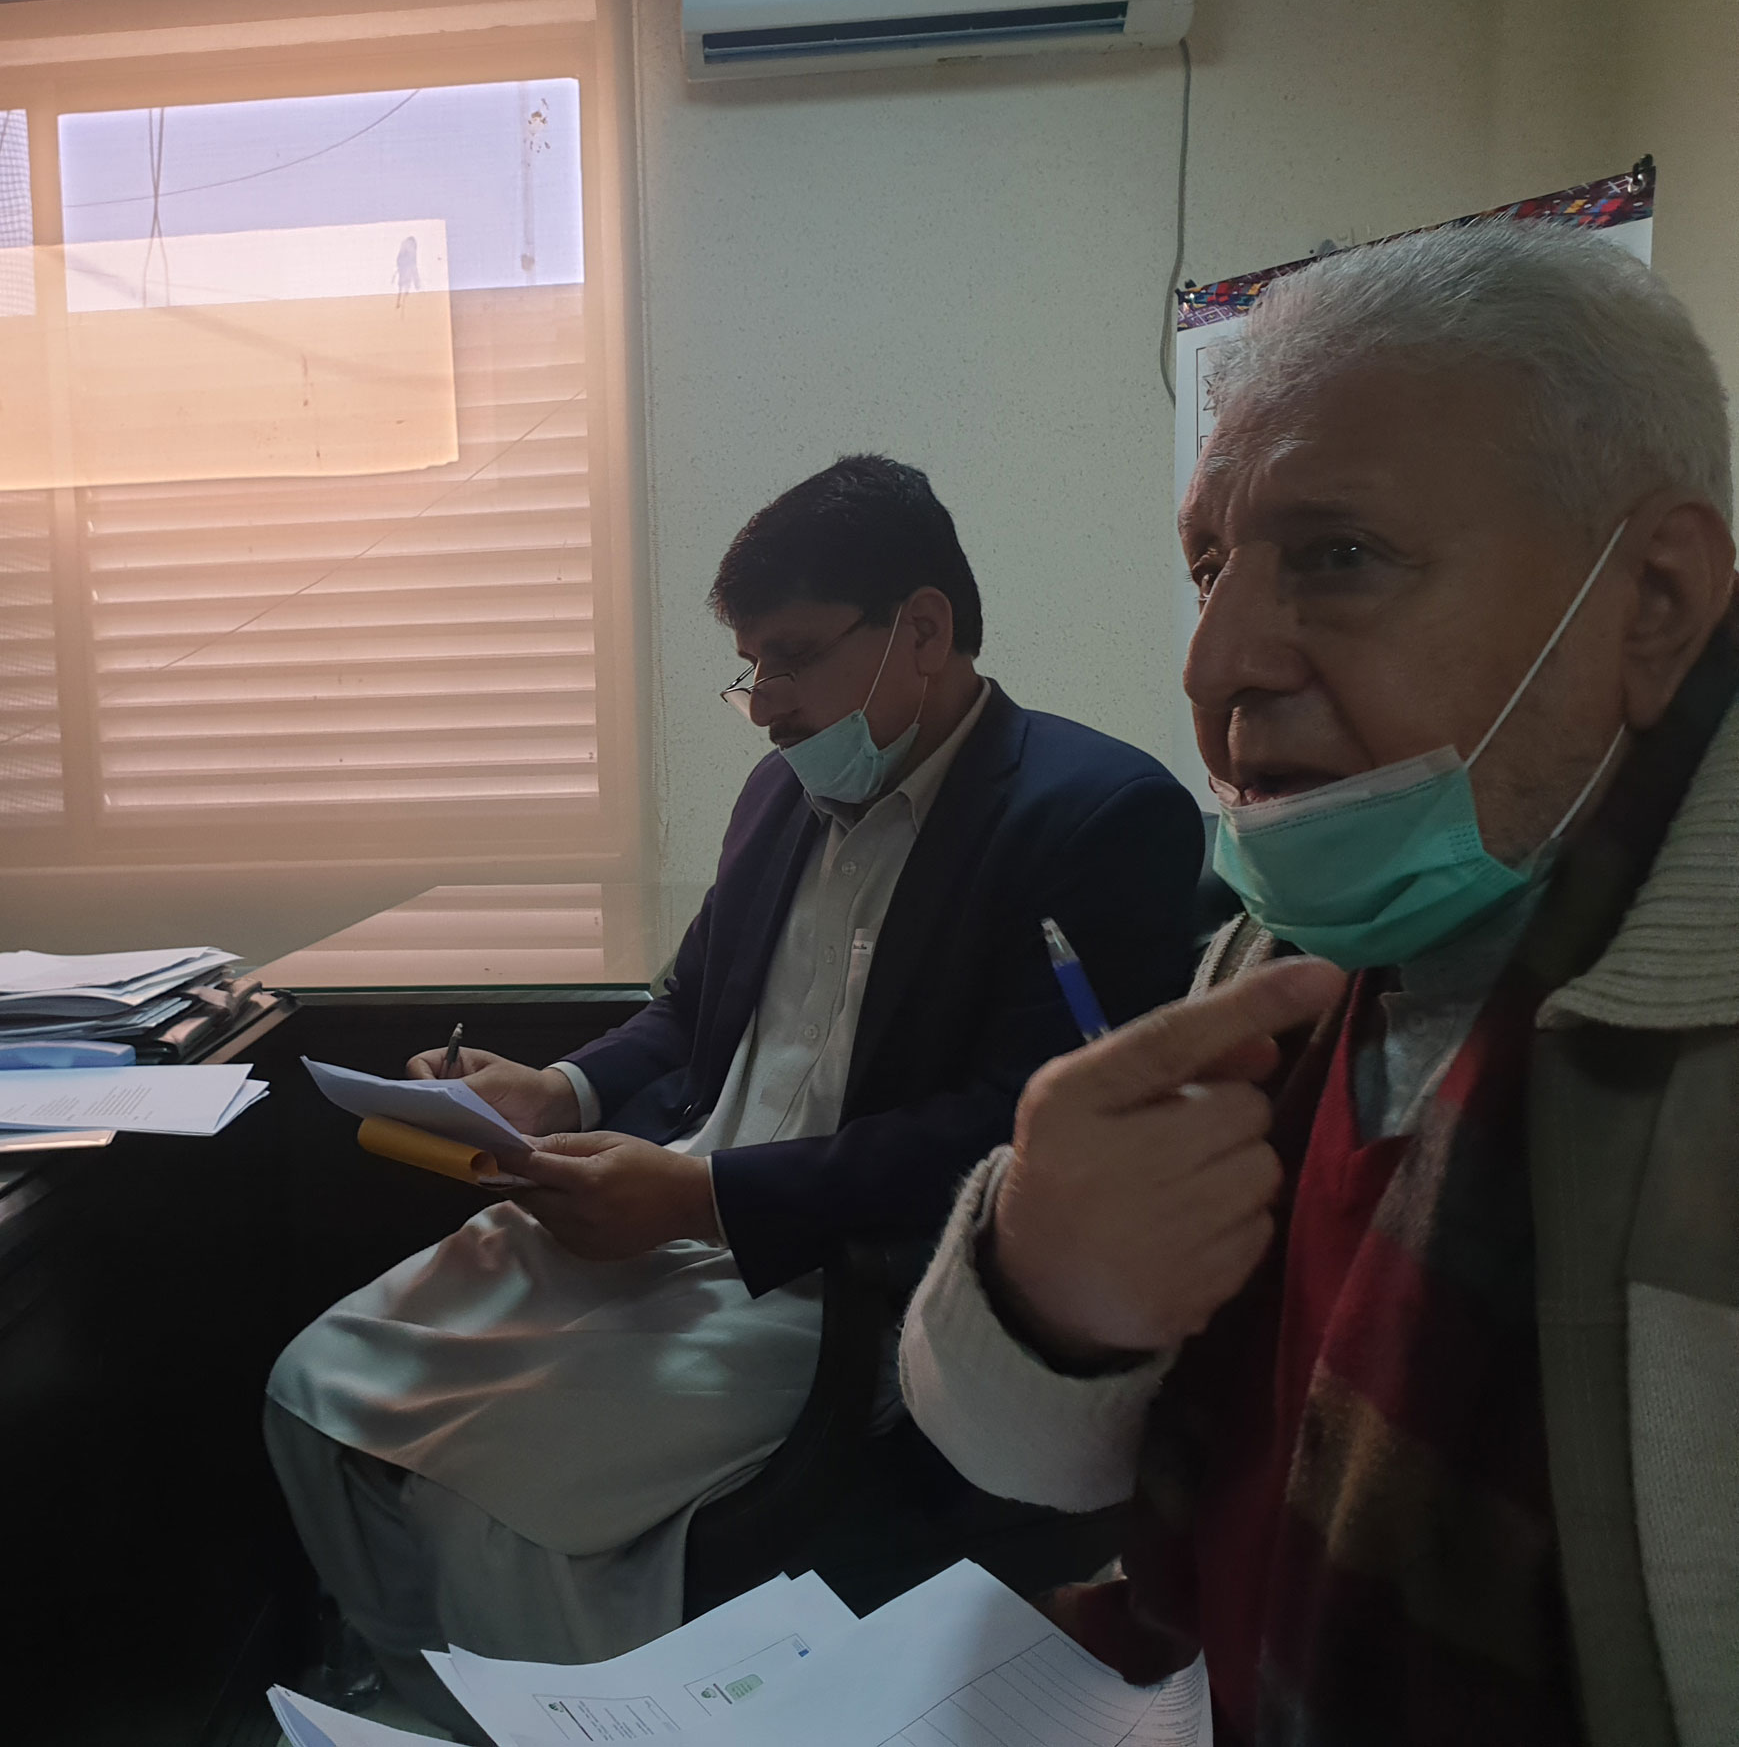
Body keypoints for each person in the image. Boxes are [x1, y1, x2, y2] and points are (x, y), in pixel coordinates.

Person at [898, 221, 1739, 1745]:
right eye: (1205, 566)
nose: (1211, 665)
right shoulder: (1273, 956)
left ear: (1654, 601)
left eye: (1337, 557)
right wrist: (1041, 1286)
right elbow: (1023, 1456)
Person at [267, 455, 1203, 1722]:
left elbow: (1012, 1129)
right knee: (317, 1381)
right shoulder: (784, 790)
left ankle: (567, 1718)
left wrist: (705, 1198)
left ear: (922, 631)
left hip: (834, 1272)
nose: (763, 704)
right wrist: (558, 1089)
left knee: (507, 1497)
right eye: (751, 666)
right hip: (662, 1214)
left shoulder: (1094, 812)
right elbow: (687, 1010)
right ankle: (421, 1693)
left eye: (794, 657)